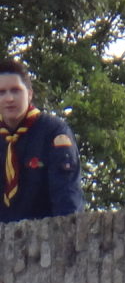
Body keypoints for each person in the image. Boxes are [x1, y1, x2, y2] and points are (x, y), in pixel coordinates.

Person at [0, 59, 83, 222]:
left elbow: (66, 197)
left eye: (15, 91)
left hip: (44, 232)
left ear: (29, 94)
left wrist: (65, 231)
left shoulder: (53, 131)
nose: (9, 99)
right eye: (2, 92)